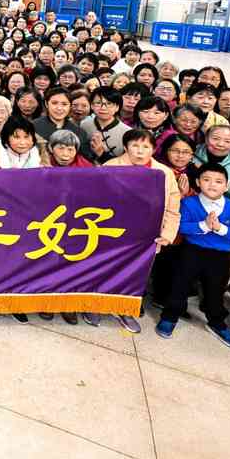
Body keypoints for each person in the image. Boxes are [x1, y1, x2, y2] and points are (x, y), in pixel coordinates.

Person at [155, 163, 230, 349]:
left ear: (227, 186)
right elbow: (181, 227)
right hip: (192, 251)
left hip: (221, 256)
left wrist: (220, 228)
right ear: (198, 182)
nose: (212, 184)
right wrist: (204, 226)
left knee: (215, 290)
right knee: (180, 285)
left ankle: (216, 322)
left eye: (218, 181)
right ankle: (170, 316)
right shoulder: (189, 203)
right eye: (206, 180)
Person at [102, 128, 182, 332]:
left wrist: (167, 235)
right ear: (126, 147)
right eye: (135, 145)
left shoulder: (164, 172)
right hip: (112, 232)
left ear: (153, 149)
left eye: (145, 146)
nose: (140, 151)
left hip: (146, 236)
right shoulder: (110, 167)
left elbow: (173, 208)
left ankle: (125, 310)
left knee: (136, 275)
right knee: (105, 269)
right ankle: (95, 306)